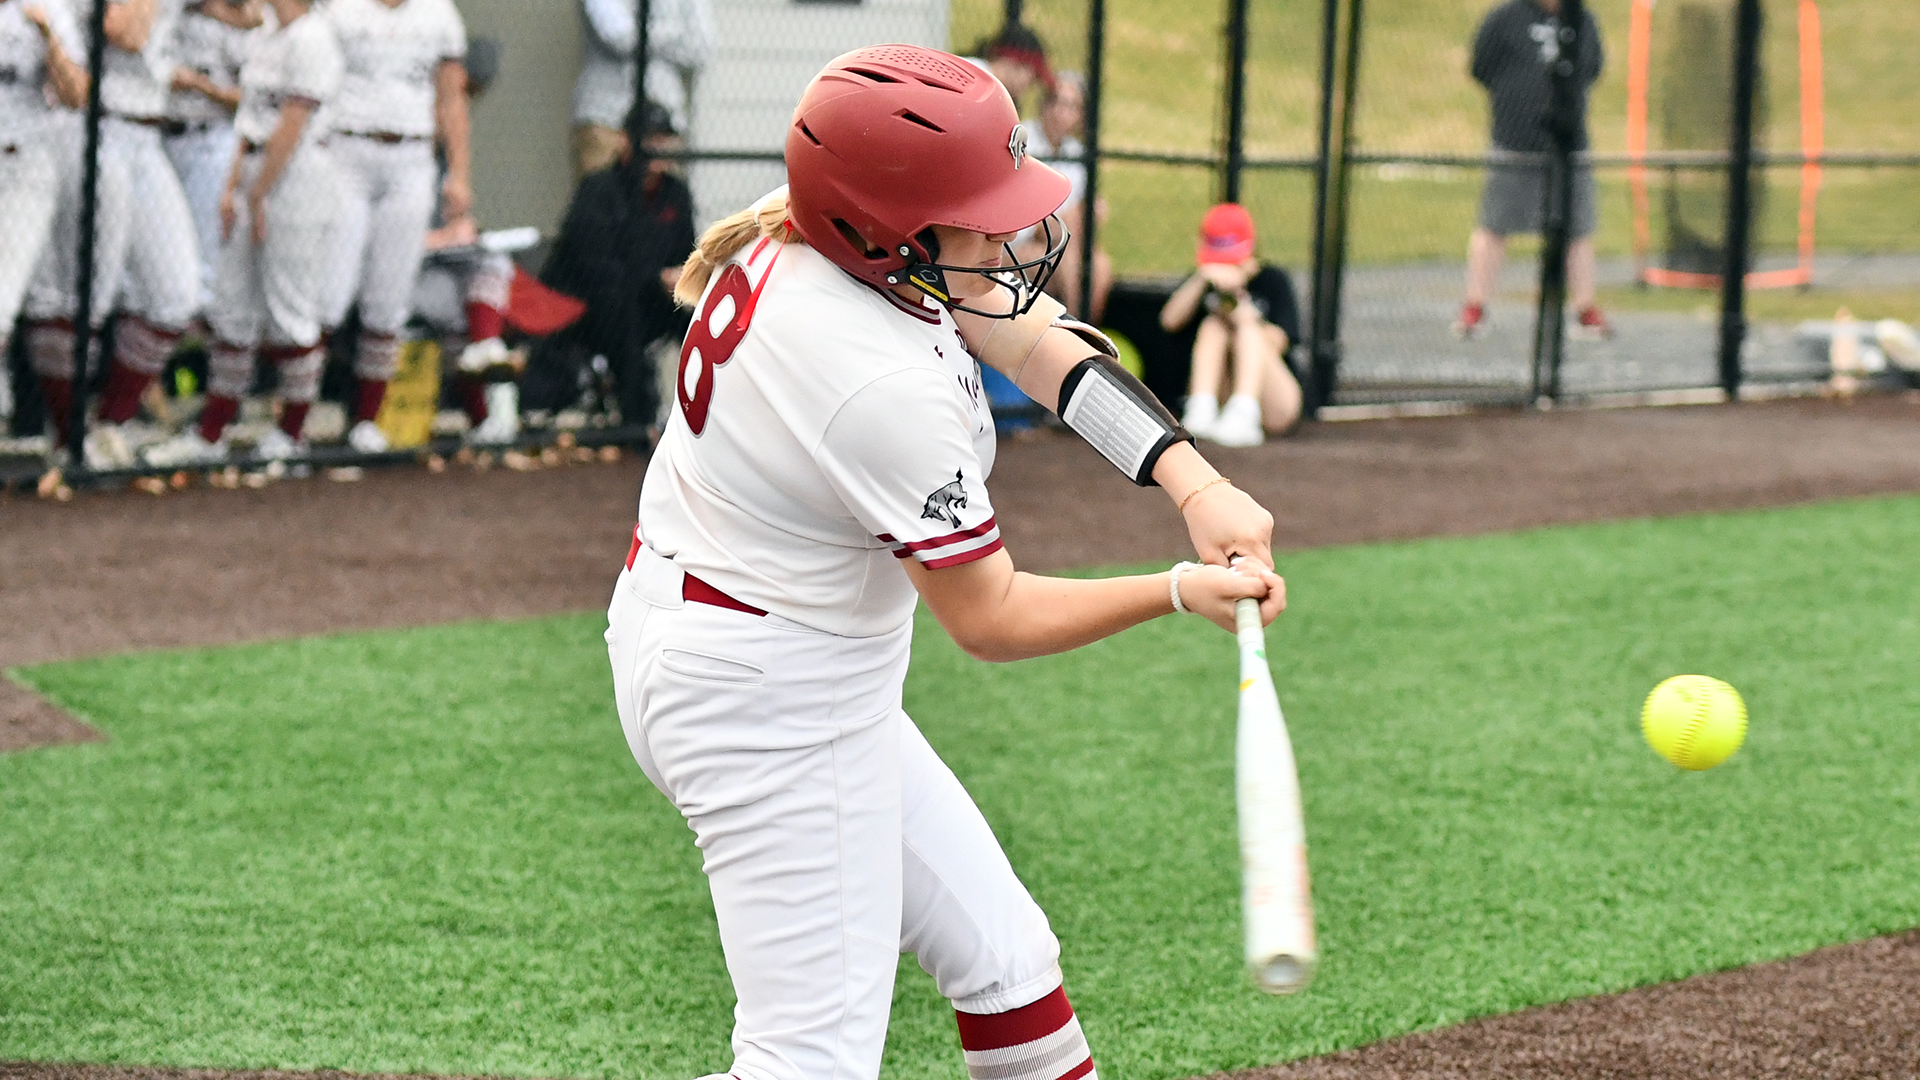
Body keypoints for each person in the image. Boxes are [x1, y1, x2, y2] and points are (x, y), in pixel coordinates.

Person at [605, 45, 1282, 1080]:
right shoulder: (871, 381)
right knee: (808, 1064)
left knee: (1011, 969)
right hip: (766, 694)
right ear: (893, 232)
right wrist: (1177, 589)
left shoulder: (833, 241)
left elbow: (1036, 343)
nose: (1016, 230)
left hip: (751, 645)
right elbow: (991, 617)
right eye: (984, 206)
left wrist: (1195, 484)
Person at [140, 0, 340, 467]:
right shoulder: (268, 33)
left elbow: (291, 125)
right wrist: (233, 189)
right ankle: (212, 434)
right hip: (253, 173)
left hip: (295, 177)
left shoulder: (314, 37)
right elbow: (248, 121)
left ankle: (293, 434)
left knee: (290, 311)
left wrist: (259, 192)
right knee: (231, 306)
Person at [24, 0, 206, 470]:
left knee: (176, 296)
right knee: (82, 300)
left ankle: (110, 425)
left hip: (147, 134)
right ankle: (70, 437)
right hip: (90, 126)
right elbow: (125, 29)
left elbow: (245, 14)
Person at [320, 0, 469, 454]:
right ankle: (292, 417)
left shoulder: (439, 13)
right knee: (329, 292)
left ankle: (366, 419)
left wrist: (459, 174)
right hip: (346, 151)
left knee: (390, 296)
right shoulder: (338, 9)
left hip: (410, 156)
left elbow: (451, 96)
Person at [532, 99, 693, 430]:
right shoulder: (599, 189)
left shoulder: (676, 194)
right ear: (625, 140)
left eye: (665, 139)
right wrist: (654, 277)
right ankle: (638, 425)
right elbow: (594, 264)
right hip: (593, 305)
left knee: (699, 312)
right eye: (650, 139)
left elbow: (685, 252)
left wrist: (681, 277)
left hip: (651, 300)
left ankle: (707, 416)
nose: (658, 149)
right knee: (623, 311)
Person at [1456, 0, 1609, 341]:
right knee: (1494, 225)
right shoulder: (1506, 17)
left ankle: (1584, 309)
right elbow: (1481, 67)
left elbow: (1594, 67)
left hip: (1570, 145)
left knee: (1578, 229)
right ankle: (1475, 306)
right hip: (1515, 141)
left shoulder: (1581, 19)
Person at [412, 36, 521, 447]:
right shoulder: (400, 157)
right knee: (460, 316)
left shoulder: (448, 159)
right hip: (400, 280)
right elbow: (388, 245)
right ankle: (487, 418)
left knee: (494, 264)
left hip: (438, 267)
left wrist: (461, 234)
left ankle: (492, 415)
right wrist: (441, 236)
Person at [0, 0, 88, 430]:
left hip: (23, 167)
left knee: (3, 301)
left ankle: (70, 435)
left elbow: (76, 95)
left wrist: (48, 37)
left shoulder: (46, 8)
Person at [1162, 203, 1303, 448]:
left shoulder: (1273, 280)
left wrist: (1241, 312)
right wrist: (1202, 278)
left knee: (1246, 329)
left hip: (1273, 400)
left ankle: (1244, 411)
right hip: (1222, 392)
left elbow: (1279, 341)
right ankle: (1201, 407)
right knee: (1213, 326)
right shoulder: (1205, 282)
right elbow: (1169, 321)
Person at [163, 0, 258, 313]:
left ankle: (194, 344)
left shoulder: (244, 23)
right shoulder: (171, 11)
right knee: (163, 245)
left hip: (211, 137)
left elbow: (252, 99)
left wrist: (200, 85)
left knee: (204, 253)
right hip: (162, 136)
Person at [571, 0, 711, 177]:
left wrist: (645, 37)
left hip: (666, 123)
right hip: (605, 119)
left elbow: (701, 48)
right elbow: (620, 38)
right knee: (601, 199)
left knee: (663, 201)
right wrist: (676, 32)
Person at [1018, 71, 1109, 323]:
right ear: (1043, 104)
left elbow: (1089, 217)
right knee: (1067, 259)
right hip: (1017, 246)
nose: (1060, 111)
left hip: (1063, 242)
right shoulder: (1022, 140)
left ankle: (1087, 334)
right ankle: (1075, 335)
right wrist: (1075, 218)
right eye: (1055, 101)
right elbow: (1037, 226)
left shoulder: (1077, 153)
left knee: (1099, 265)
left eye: (1070, 106)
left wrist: (1075, 219)